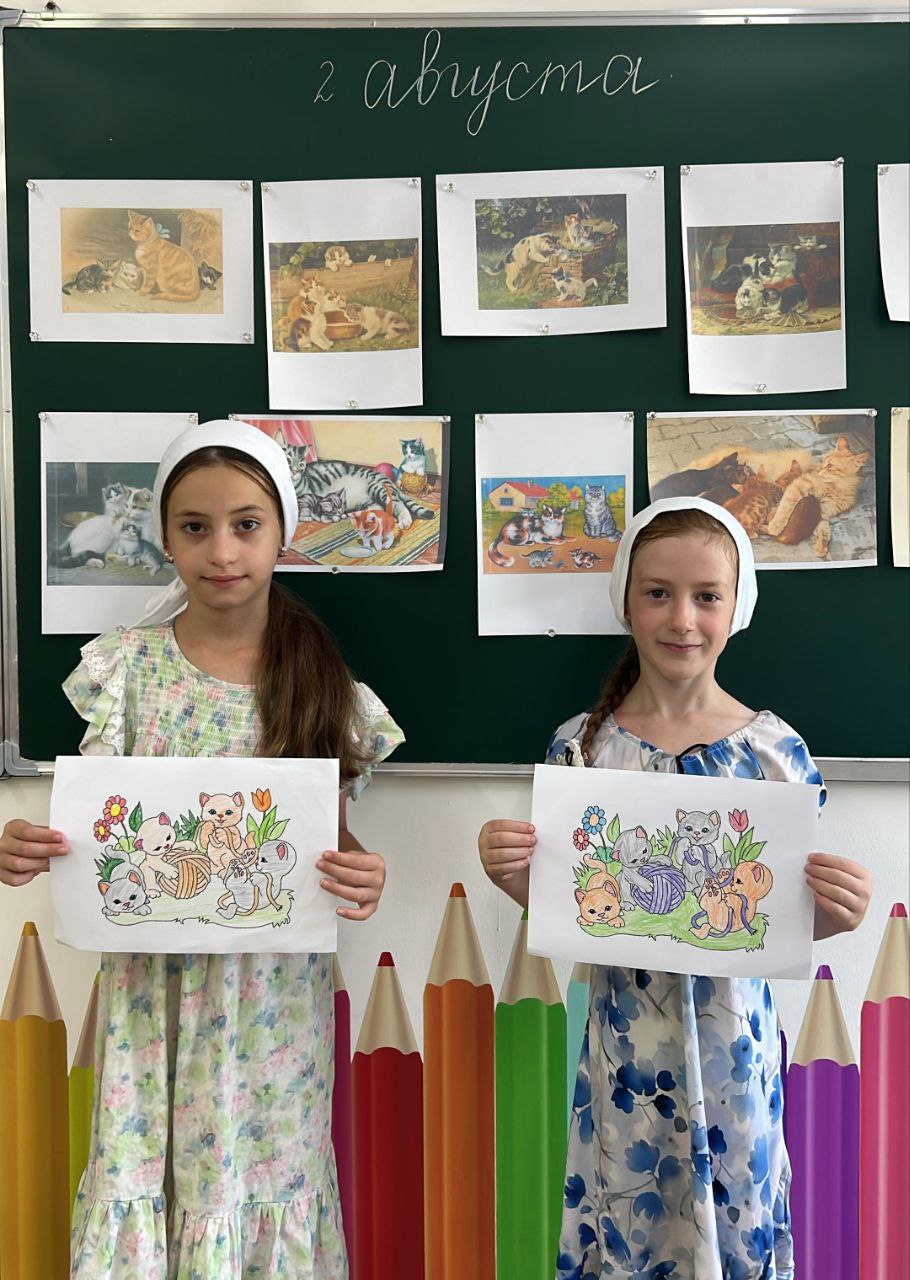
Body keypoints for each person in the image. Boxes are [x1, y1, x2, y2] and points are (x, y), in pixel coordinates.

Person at [0, 419, 403, 1278]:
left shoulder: (322, 684)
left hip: (270, 1006)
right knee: (146, 1166)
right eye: (195, 527)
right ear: (165, 536)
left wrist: (362, 872)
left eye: (246, 524)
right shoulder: (126, 671)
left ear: (282, 532)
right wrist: (30, 844)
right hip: (150, 995)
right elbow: (93, 832)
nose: (222, 551)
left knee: (259, 1178)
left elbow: (332, 844)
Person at [478, 497, 872, 1280]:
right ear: (625, 600)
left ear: (737, 606)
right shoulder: (579, 749)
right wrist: (516, 877)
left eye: (706, 596)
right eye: (658, 593)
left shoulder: (775, 753)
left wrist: (838, 914)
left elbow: (781, 921)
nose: (682, 618)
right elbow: (577, 909)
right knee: (628, 1231)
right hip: (623, 1064)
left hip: (736, 1062)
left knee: (737, 1233)